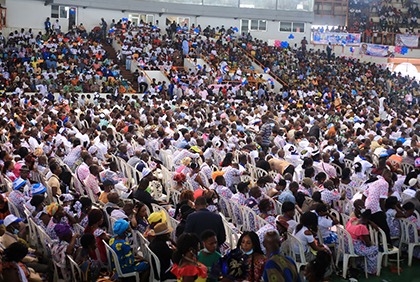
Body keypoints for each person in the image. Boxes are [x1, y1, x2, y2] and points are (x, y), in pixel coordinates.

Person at [346, 209, 379, 275]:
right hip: (354, 249)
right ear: (368, 219)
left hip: (347, 245)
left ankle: (359, 263)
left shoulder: (352, 220)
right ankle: (371, 270)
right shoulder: (362, 228)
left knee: (364, 246)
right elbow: (368, 244)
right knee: (375, 249)